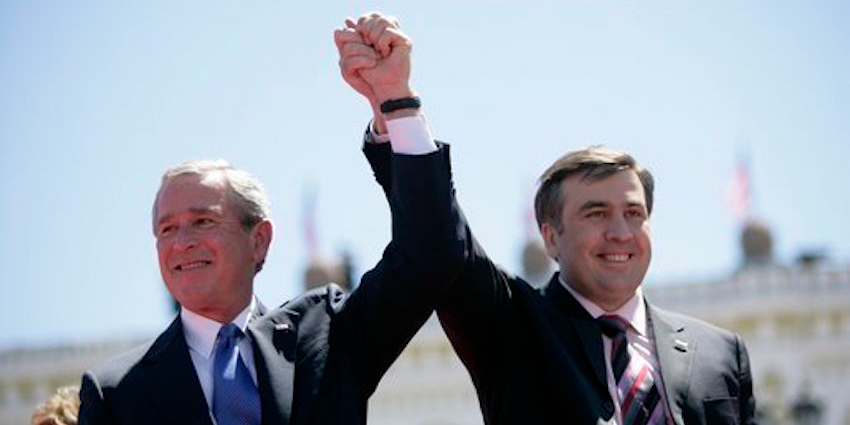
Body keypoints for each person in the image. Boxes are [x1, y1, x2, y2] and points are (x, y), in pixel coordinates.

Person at [339, 13, 756, 425]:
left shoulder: (720, 352)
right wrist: (397, 102)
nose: (620, 232)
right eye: (596, 213)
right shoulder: (514, 327)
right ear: (551, 238)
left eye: (634, 213)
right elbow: (441, 237)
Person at [77, 13, 466, 424]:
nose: (181, 242)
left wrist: (396, 101)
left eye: (202, 221)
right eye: (166, 229)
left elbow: (430, 254)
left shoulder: (326, 335)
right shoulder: (117, 392)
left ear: (259, 239)